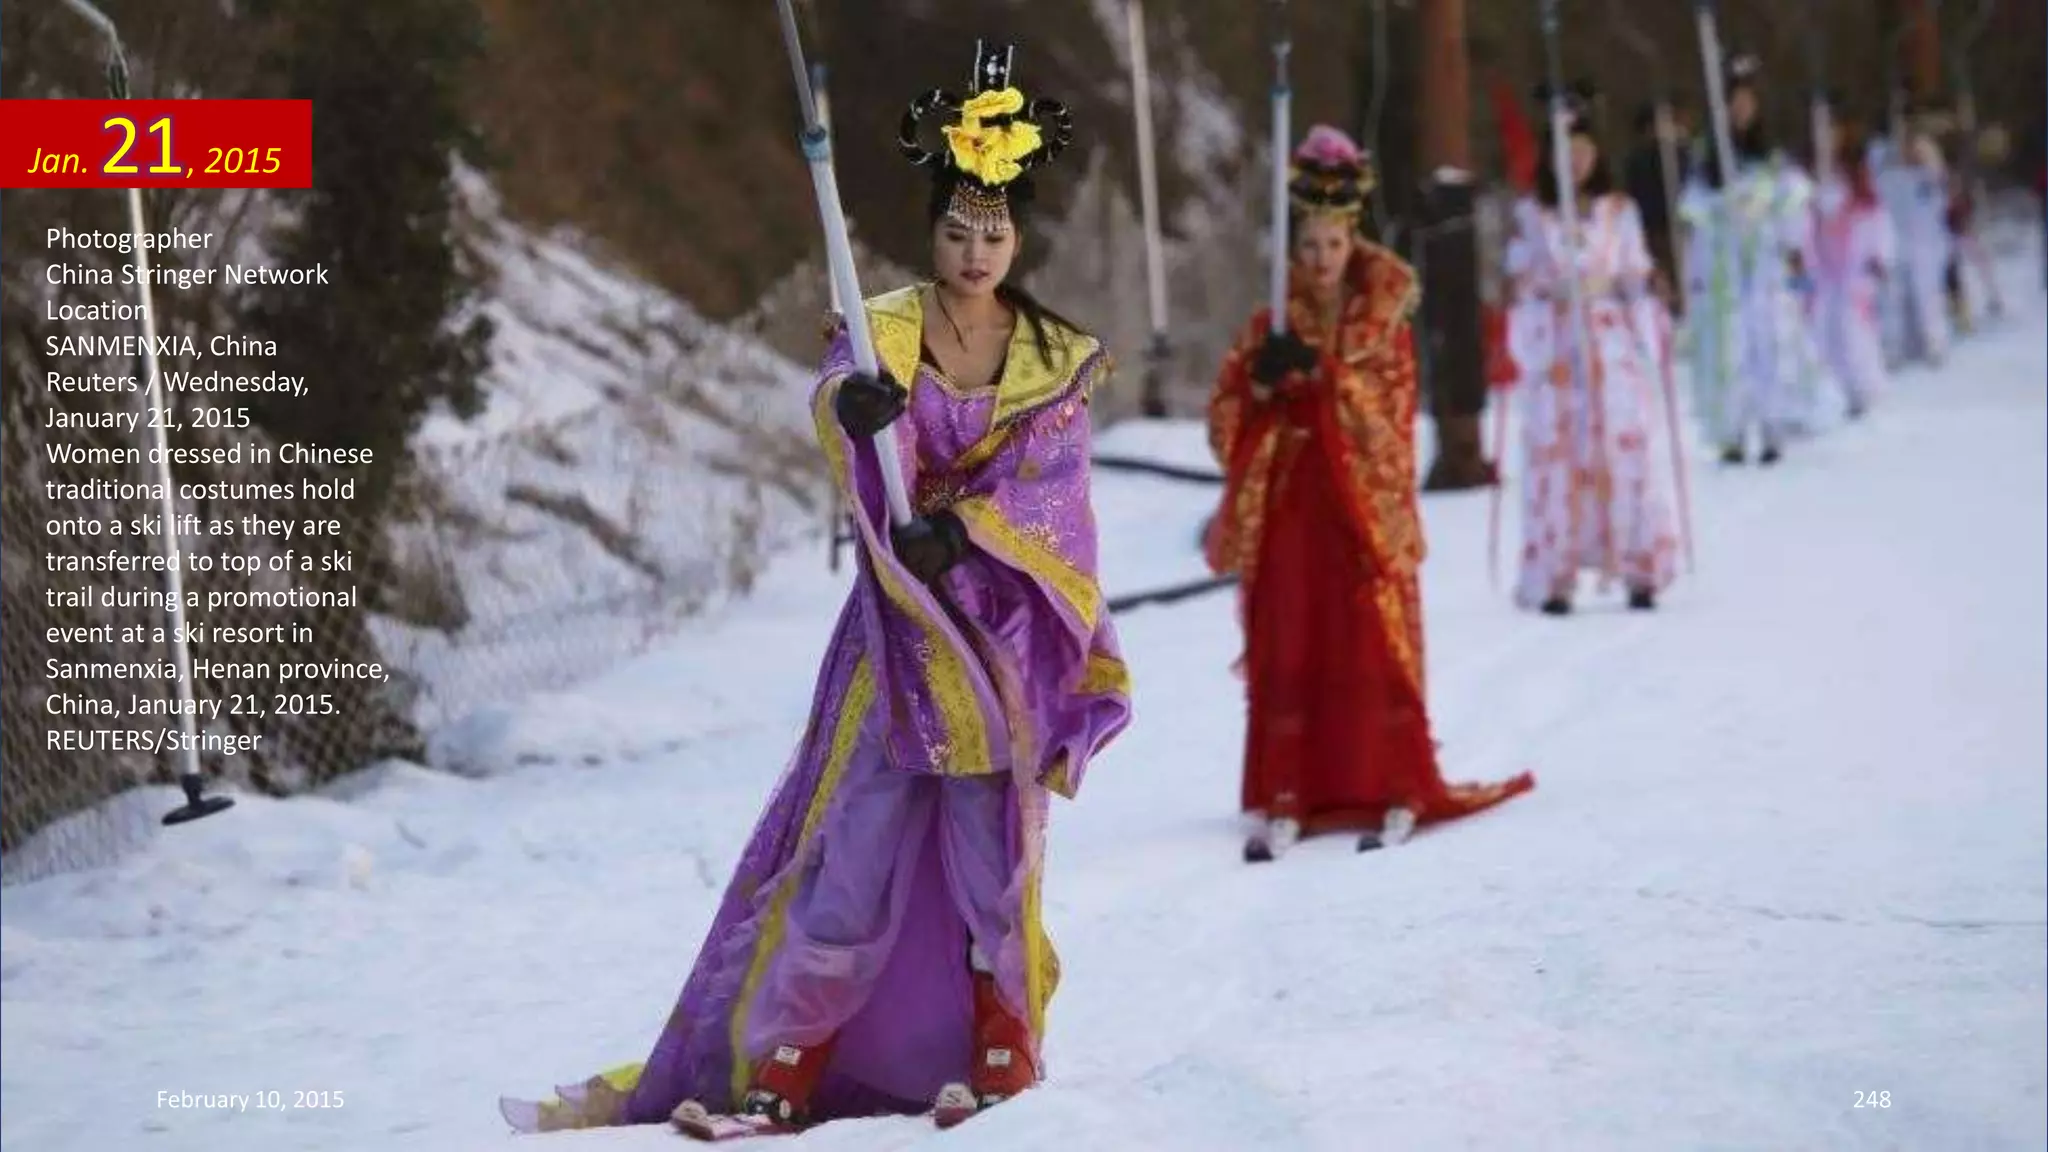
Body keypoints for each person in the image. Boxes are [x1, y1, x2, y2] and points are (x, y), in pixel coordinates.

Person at [498, 41, 1131, 1137]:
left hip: (992, 649)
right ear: (929, 229)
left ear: (1016, 237)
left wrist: (966, 533)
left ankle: (998, 1056)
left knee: (992, 867)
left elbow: (1054, 495)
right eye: (954, 229)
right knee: (850, 858)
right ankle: (781, 1068)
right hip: (892, 647)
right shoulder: (878, 330)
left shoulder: (1052, 358)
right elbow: (837, 400)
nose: (973, 251)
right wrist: (850, 415)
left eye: (994, 231)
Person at [1205, 125, 1533, 863]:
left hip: (1357, 512)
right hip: (1293, 506)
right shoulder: (1271, 321)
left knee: (1365, 645)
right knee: (1294, 640)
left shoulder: (1383, 322)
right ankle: (1292, 788)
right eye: (1309, 246)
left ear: (1353, 239)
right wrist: (1262, 384)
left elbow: (1389, 416)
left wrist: (1323, 378)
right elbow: (1224, 419)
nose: (1321, 261)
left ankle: (1393, 782)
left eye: (1333, 244)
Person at [1505, 99, 1683, 615]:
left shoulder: (1618, 211)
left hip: (1608, 342)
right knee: (1561, 451)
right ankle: (1556, 574)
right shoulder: (1533, 215)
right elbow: (1521, 278)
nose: (1576, 162)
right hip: (1560, 343)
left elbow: (1633, 270)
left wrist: (1647, 290)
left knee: (1621, 448)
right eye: (1566, 152)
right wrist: (1539, 291)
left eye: (1583, 150)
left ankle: (1637, 565)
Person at [1679, 54, 1831, 464]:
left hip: (1763, 264)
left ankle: (1771, 424)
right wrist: (1719, 208)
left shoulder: (1773, 157)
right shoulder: (1706, 160)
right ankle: (1729, 430)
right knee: (1729, 345)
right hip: (1725, 266)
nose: (1741, 109)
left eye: (1747, 101)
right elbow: (1692, 208)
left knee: (1768, 341)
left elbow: (1795, 198)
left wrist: (1778, 225)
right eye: (1733, 102)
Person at [1812, 118, 1898, 419]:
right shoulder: (1823, 184)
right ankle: (1845, 390)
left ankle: (1867, 388)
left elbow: (1878, 219)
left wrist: (1880, 256)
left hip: (1857, 270)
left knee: (1855, 331)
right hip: (1829, 273)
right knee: (1828, 332)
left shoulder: (1862, 186)